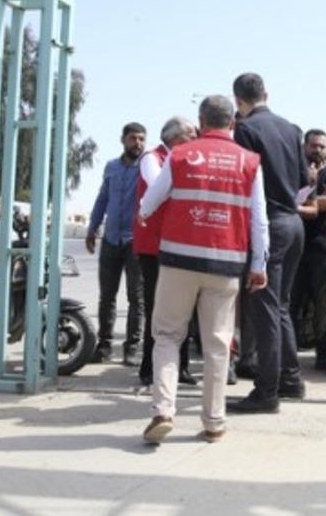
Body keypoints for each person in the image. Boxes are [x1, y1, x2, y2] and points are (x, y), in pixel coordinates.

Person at [137, 96, 268, 445]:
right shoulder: (250, 162)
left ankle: (163, 411)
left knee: (167, 335)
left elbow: (151, 200)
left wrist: (145, 214)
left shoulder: (180, 155)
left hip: (178, 260)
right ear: (233, 124)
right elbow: (259, 219)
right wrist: (259, 264)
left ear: (201, 120)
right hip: (226, 263)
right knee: (217, 343)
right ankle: (214, 422)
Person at [229, 73, 309, 414]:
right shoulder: (291, 129)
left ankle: (267, 392)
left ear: (238, 100)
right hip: (294, 223)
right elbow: (305, 182)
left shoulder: (246, 129)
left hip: (268, 226)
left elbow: (245, 181)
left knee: (264, 310)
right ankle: (290, 379)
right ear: (266, 94)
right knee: (280, 307)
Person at [134, 116, 198, 388]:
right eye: (191, 134)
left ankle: (180, 367)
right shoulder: (153, 157)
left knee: (183, 309)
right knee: (156, 308)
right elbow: (158, 186)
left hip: (179, 243)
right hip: (154, 246)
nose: (196, 138)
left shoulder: (186, 159)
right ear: (176, 137)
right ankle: (148, 368)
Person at [86, 122, 147, 366]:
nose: (138, 143)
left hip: (135, 241)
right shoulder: (111, 167)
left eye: (142, 139)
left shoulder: (147, 167)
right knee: (107, 297)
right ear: (123, 140)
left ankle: (132, 348)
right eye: (133, 138)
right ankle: (104, 346)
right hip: (111, 239)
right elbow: (103, 198)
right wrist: (92, 227)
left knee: (136, 298)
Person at [292, 129, 326, 371]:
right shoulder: (293, 169)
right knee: (291, 301)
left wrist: (301, 201)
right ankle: (287, 354)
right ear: (304, 146)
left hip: (321, 247)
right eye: (313, 145)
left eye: (322, 146)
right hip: (294, 246)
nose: (317, 150)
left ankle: (325, 353)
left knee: (324, 302)